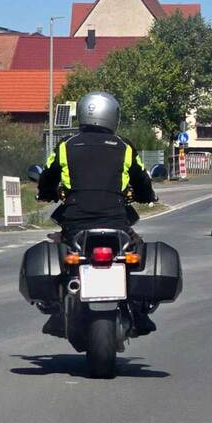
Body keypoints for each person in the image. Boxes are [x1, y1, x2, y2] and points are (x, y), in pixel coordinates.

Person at [37, 91, 158, 336]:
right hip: (116, 221)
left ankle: (58, 310)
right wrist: (147, 195)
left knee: (63, 255)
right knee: (135, 252)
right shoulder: (124, 148)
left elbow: (47, 176)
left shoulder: (65, 147)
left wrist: (45, 192)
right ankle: (139, 310)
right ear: (113, 116)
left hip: (75, 222)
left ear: (82, 113)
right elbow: (142, 179)